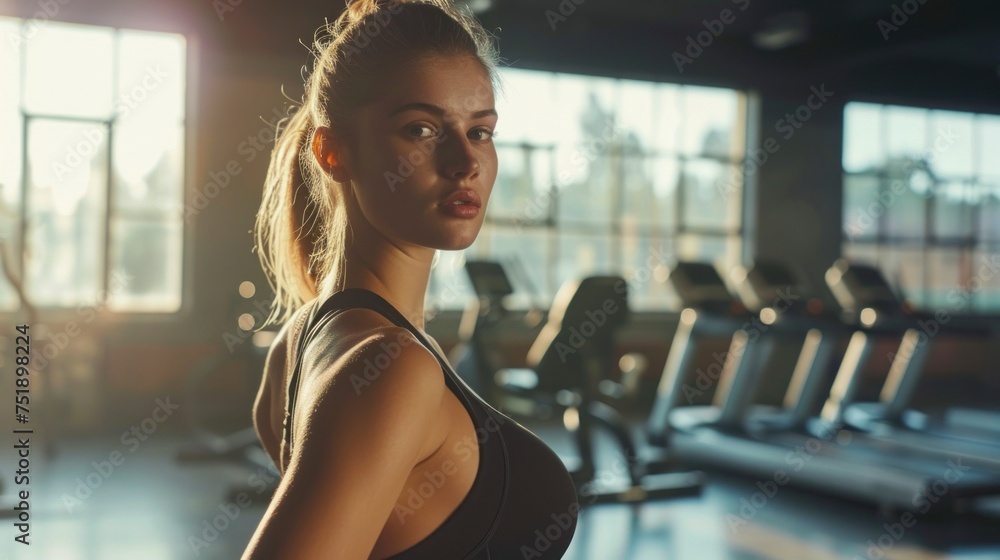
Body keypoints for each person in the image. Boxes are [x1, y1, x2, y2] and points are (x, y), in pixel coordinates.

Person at [243, 1, 579, 558]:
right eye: (421, 128)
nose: (464, 161)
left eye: (480, 131)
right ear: (333, 152)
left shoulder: (298, 341)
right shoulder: (392, 369)